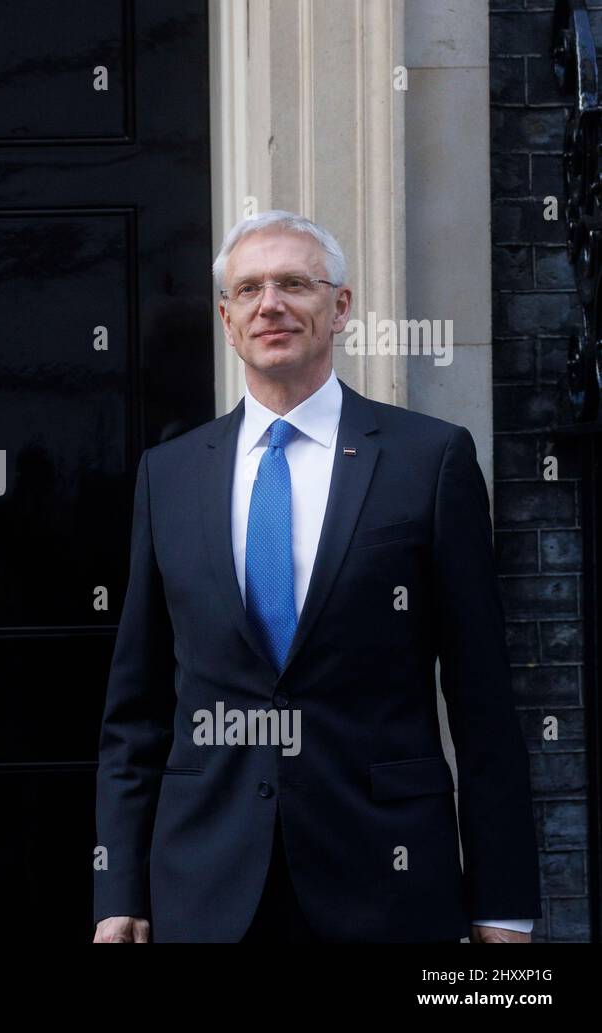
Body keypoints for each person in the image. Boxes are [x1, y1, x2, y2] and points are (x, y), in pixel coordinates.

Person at [93, 211, 540, 942]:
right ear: (227, 319)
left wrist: (502, 904)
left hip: (386, 879)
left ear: (340, 307)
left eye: (294, 283)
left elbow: (483, 700)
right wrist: (119, 890)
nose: (270, 303)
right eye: (249, 289)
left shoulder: (430, 460)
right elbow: (133, 712)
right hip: (206, 885)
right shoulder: (167, 476)